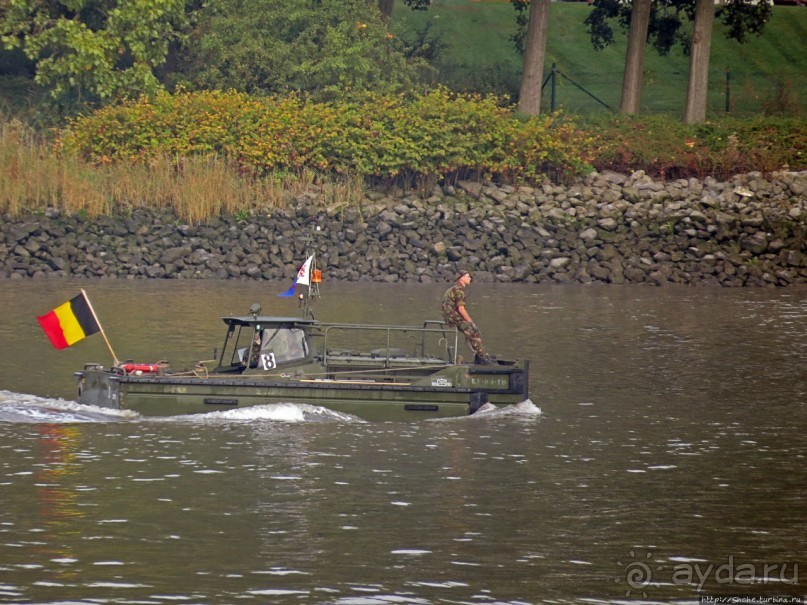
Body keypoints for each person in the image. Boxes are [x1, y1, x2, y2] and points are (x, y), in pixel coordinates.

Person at [441, 271, 495, 365]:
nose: (470, 278)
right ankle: (482, 356)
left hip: (449, 317)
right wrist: (471, 322)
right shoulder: (459, 290)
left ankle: (478, 353)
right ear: (461, 278)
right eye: (467, 276)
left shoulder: (452, 289)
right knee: (474, 331)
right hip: (454, 317)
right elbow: (461, 309)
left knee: (470, 331)